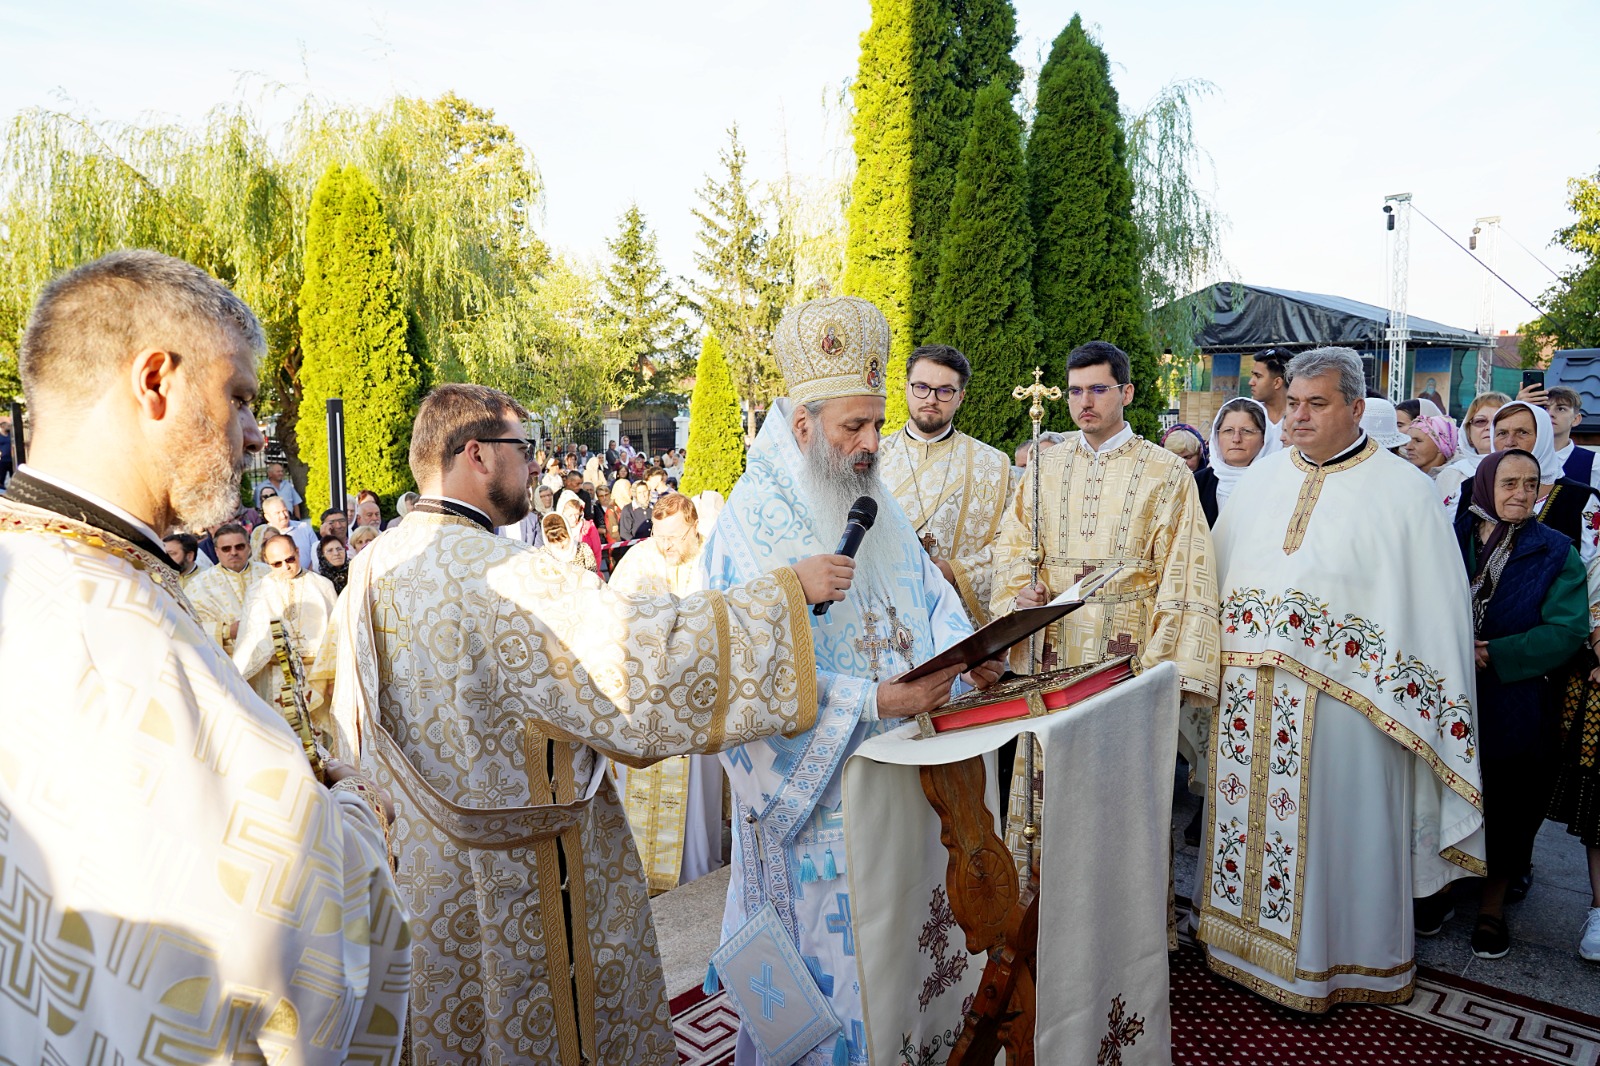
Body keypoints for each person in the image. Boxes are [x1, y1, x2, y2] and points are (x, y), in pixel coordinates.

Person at [324, 381, 856, 1063]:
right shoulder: (514, 575)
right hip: (532, 881)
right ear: (477, 454)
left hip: (425, 879)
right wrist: (785, 596)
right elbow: (643, 665)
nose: (534, 463)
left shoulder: (371, 568)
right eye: (523, 447)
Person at [0, 249, 407, 1060]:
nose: (256, 435)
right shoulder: (118, 629)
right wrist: (358, 813)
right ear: (155, 381)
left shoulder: (42, 569)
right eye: (239, 397)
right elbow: (283, 942)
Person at [705, 295, 1000, 1065]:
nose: (872, 443)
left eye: (876, 423)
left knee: (914, 977)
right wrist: (874, 701)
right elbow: (740, 682)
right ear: (804, 428)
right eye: (854, 427)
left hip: (914, 789)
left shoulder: (875, 503)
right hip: (829, 818)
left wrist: (967, 657)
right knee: (849, 999)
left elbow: (932, 599)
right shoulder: (748, 527)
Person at [1197, 346, 1484, 1011]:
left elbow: (1431, 611)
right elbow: (1219, 574)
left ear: (1356, 407)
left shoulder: (1404, 491)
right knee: (1245, 822)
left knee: (1339, 833)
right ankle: (1240, 948)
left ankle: (1337, 964)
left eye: (1317, 404)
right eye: (1293, 403)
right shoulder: (1263, 479)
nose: (1298, 417)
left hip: (1352, 706)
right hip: (1249, 699)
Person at [994, 341, 1221, 871]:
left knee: (1118, 794)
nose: (1085, 402)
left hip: (1127, 658)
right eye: (1075, 391)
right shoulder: (1044, 466)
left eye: (1098, 389)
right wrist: (1019, 595)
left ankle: (1118, 916)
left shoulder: (1167, 472)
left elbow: (1184, 570)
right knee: (1047, 786)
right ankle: (1037, 906)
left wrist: (1161, 672)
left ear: (1127, 392)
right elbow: (1012, 547)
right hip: (1052, 652)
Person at [1441, 449, 1587, 958]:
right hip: (1448, 690)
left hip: (1516, 696)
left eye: (1531, 484)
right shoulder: (1450, 537)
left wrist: (1493, 653)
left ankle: (1492, 909)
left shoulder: (1556, 550)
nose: (1521, 494)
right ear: (1486, 485)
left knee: (1509, 801)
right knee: (1442, 787)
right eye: (1509, 483)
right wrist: (1452, 646)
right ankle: (1437, 891)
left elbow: (1567, 630)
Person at [608, 492, 726, 893]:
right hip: (648, 705)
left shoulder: (713, 560)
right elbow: (614, 616)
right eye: (659, 537)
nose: (666, 547)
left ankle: (697, 873)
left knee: (695, 805)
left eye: (674, 538)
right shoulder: (639, 559)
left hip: (697, 702)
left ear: (694, 527)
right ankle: (642, 871)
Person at [878, 343, 1016, 624]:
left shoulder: (993, 465)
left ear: (960, 397)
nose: (931, 399)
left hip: (957, 618)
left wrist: (956, 571)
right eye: (921, 387)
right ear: (906, 387)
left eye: (944, 391)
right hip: (885, 609)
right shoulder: (874, 458)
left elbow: (1011, 544)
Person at [233, 531, 338, 710]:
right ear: (266, 561)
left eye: (290, 559)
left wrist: (333, 679)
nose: (285, 567)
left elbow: (335, 635)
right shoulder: (258, 592)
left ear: (297, 552)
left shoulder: (323, 586)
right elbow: (249, 639)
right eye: (277, 563)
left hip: (316, 675)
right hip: (275, 675)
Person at [1196, 397, 1280, 526]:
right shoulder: (1197, 483)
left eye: (1247, 431)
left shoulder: (1278, 485)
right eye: (1228, 431)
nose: (1236, 439)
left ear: (1264, 438)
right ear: (1216, 437)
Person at [1405, 413, 1469, 509]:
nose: (1408, 447)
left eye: (1418, 441)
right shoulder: (1404, 476)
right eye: (1408, 440)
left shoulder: (1458, 481)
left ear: (1441, 445)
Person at [252, 492, 319, 572]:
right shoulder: (263, 534)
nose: (283, 516)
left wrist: (308, 573)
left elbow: (317, 552)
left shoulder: (304, 527)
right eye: (277, 513)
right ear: (267, 517)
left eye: (285, 511)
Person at [1549, 386, 1600, 491]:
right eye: (1545, 408)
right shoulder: (1524, 456)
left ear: (1576, 419)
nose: (1550, 414)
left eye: (1561, 409)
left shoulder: (1594, 463)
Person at [1454, 391, 1512, 474]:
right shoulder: (1452, 474)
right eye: (1480, 421)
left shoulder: (1528, 470)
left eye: (1497, 422)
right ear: (1468, 432)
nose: (1489, 427)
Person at [1248, 348, 1290, 440]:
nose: (1250, 382)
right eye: (1252, 375)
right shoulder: (1248, 414)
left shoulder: (1300, 417)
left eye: (1258, 376)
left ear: (1277, 382)